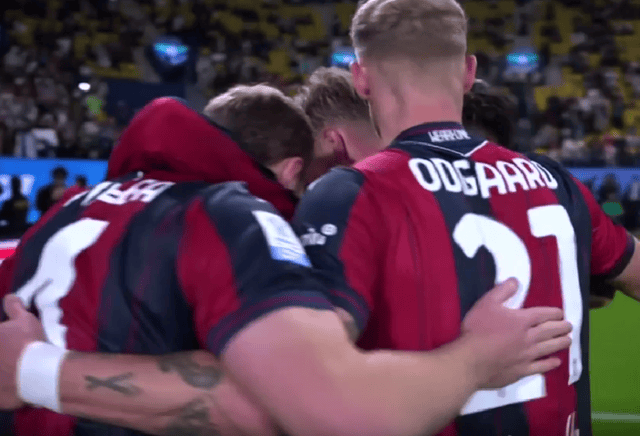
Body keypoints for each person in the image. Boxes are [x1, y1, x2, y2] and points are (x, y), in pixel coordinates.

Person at [0, 85, 571, 436]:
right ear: (294, 170)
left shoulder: (71, 209)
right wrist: (475, 359)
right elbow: (303, 409)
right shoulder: (232, 214)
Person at [292, 0, 640, 434]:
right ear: (469, 72)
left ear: (360, 78)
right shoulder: (553, 181)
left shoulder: (351, 194)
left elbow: (306, 380)